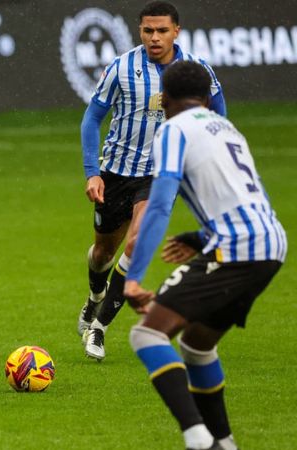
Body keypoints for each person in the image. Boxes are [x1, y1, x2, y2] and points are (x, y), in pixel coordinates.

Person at [124, 60, 286, 450]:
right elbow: (250, 196)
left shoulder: (173, 130)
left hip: (238, 248)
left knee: (146, 335)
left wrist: (133, 278)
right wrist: (199, 237)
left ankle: (199, 440)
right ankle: (224, 442)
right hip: (271, 243)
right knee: (197, 345)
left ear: (165, 97)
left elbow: (160, 205)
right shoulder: (227, 128)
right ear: (207, 96)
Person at [78, 0, 227, 361]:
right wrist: (92, 173)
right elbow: (91, 120)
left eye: (162, 30)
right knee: (102, 255)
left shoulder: (195, 72)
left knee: (136, 244)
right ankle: (94, 296)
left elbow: (219, 115)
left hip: (161, 173)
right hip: (116, 171)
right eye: (148, 30)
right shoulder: (121, 67)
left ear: (177, 31)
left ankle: (99, 327)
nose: (155, 37)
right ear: (139, 31)